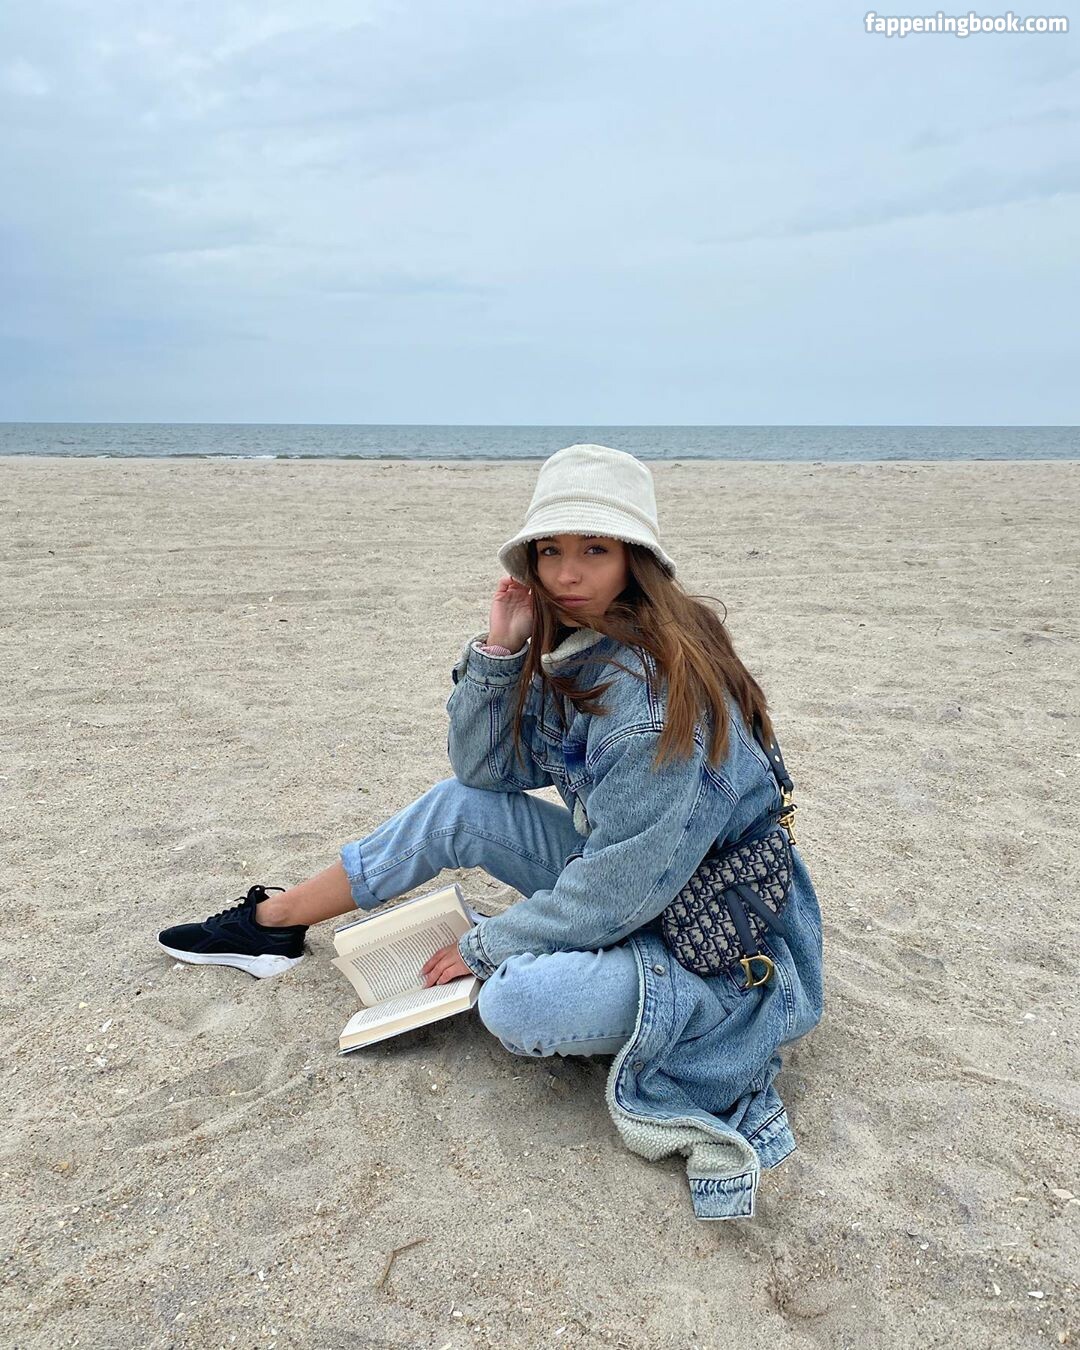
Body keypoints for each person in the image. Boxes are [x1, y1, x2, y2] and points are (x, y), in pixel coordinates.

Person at [157, 443, 825, 1220]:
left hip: (716, 950)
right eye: (550, 550)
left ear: (634, 560)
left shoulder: (649, 705)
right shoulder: (588, 648)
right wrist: (501, 652)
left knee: (516, 1005)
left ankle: (624, 995)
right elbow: (483, 771)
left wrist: (488, 945)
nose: (566, 573)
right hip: (642, 888)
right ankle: (273, 923)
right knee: (459, 807)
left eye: (594, 550)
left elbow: (616, 892)